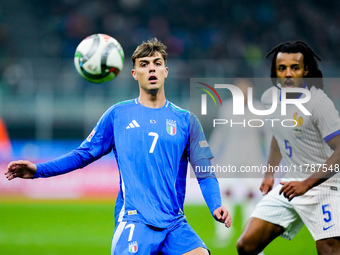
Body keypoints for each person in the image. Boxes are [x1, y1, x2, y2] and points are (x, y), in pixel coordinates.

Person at [5, 38, 232, 255]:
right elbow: (82, 155)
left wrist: (216, 205)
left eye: (157, 63)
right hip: (135, 220)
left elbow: (205, 172)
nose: (151, 69)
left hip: (174, 223)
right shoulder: (118, 115)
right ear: (134, 74)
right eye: (144, 64)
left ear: (166, 71)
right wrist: (38, 171)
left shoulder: (186, 120)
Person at [236, 41, 340, 255]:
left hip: (325, 187)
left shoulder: (319, 103)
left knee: (329, 251)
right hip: (291, 185)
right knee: (246, 245)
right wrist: (269, 174)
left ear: (306, 70)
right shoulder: (270, 98)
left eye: (295, 67)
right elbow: (278, 135)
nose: (288, 73)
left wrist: (307, 184)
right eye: (282, 68)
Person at [208, 79, 269, 247]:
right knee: (226, 197)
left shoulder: (260, 110)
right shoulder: (227, 108)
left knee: (251, 199)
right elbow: (220, 133)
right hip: (230, 159)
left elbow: (267, 135)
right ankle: (223, 234)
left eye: (245, 91)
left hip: (252, 160)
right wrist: (210, 155)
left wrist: (271, 159)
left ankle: (249, 234)